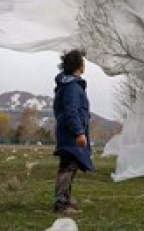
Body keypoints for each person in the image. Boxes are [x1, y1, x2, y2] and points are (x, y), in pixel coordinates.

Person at [52, 49, 94, 214]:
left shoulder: (69, 84)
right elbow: (71, 112)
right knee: (68, 167)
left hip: (68, 132)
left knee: (69, 166)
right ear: (79, 65)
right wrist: (79, 132)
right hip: (71, 134)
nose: (84, 65)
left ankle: (65, 200)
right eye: (83, 62)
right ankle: (61, 204)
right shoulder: (71, 87)